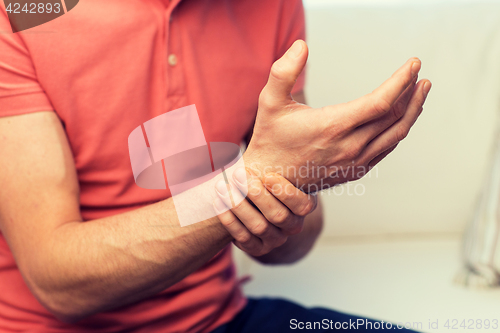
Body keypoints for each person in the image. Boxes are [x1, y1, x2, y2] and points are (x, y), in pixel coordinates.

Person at [0, 0, 430, 332]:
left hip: (221, 319)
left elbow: (294, 246)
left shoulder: (270, 6)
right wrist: (246, 186)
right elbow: (57, 281)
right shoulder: (19, 12)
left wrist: (297, 180)